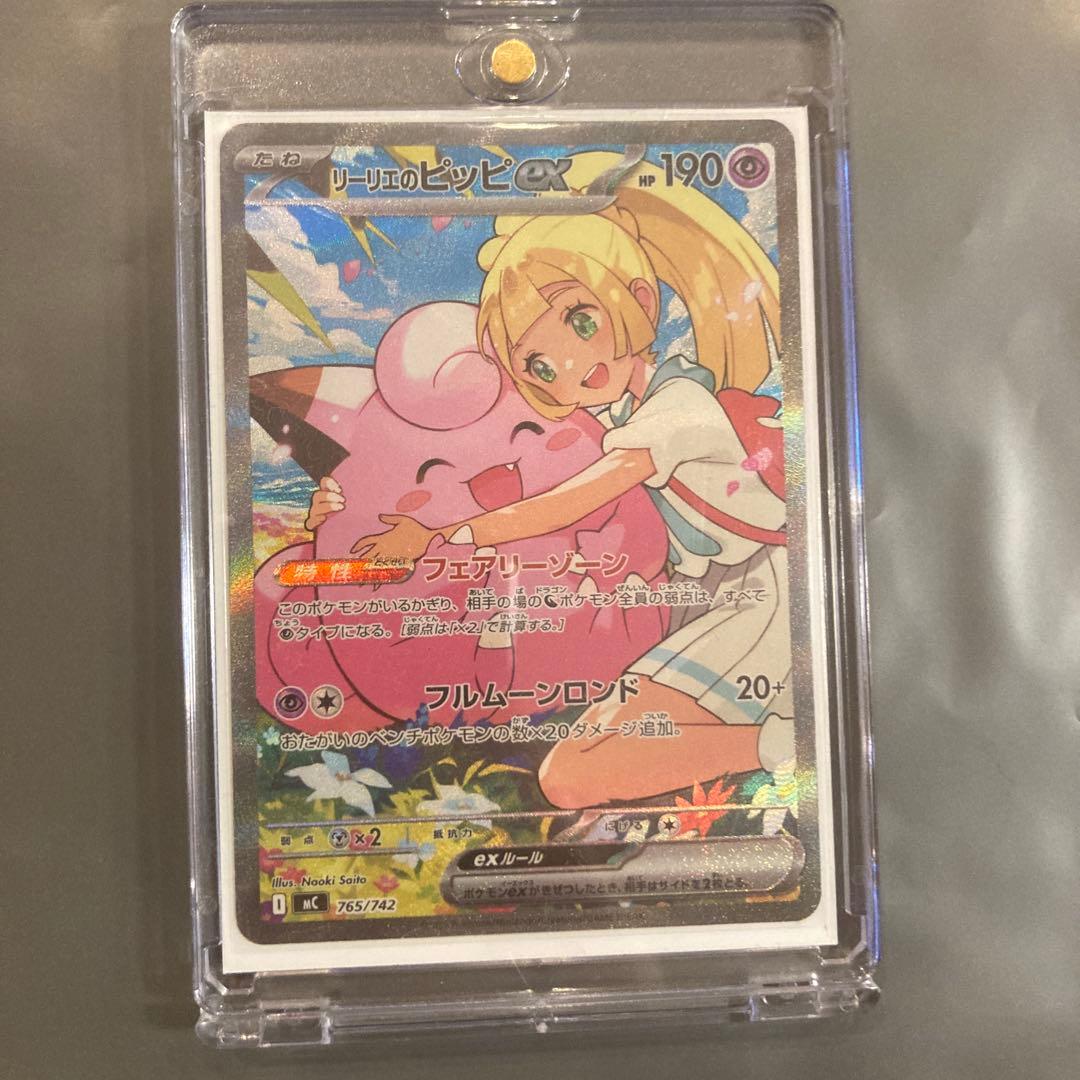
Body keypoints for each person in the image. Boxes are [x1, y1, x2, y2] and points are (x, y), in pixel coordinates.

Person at [353, 152, 796, 809]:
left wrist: (445, 536)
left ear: (639, 301)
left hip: (758, 599)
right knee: (582, 761)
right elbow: (534, 484)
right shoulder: (616, 415)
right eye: (538, 364)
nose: (568, 364)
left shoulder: (678, 408)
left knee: (571, 775)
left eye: (580, 320)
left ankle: (788, 744)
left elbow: (576, 499)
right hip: (698, 599)